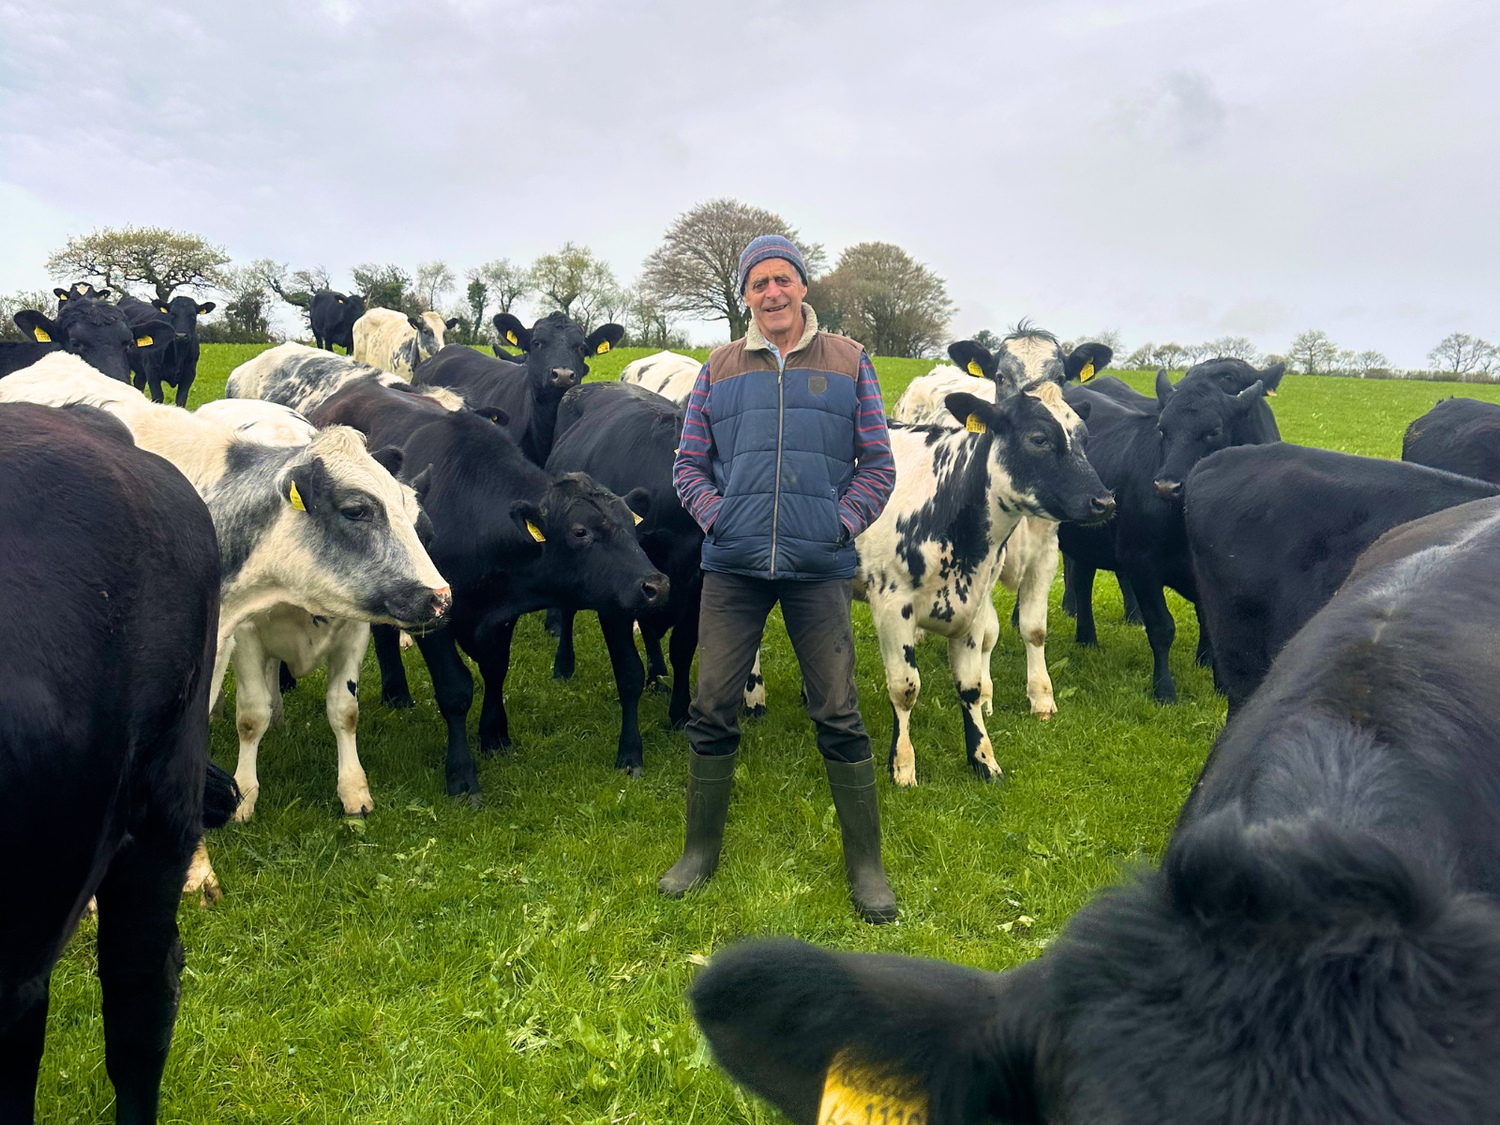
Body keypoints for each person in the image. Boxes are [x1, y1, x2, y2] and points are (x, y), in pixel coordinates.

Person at [663, 234, 898, 923]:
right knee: (711, 704)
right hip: (733, 567)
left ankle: (866, 865)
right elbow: (688, 466)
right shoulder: (720, 367)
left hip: (817, 565)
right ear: (746, 295)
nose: (772, 293)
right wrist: (720, 519)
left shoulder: (849, 361)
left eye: (782, 280)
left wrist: (838, 520)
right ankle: (698, 851)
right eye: (759, 283)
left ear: (803, 287)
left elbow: (878, 464)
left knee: (838, 710)